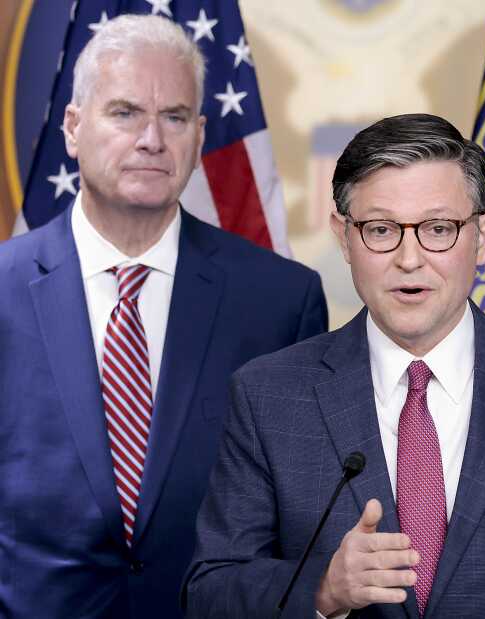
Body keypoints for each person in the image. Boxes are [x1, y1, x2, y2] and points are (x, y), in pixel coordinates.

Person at [182, 113, 485, 617]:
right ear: (344, 237)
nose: (410, 258)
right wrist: (323, 588)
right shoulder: (269, 395)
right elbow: (211, 590)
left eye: (439, 229)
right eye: (381, 229)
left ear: (482, 235)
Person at [0, 15, 327, 618]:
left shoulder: (282, 301)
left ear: (199, 136)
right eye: (124, 113)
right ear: (72, 128)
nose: (152, 138)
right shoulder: (3, 290)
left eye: (174, 117)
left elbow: (301, 525)